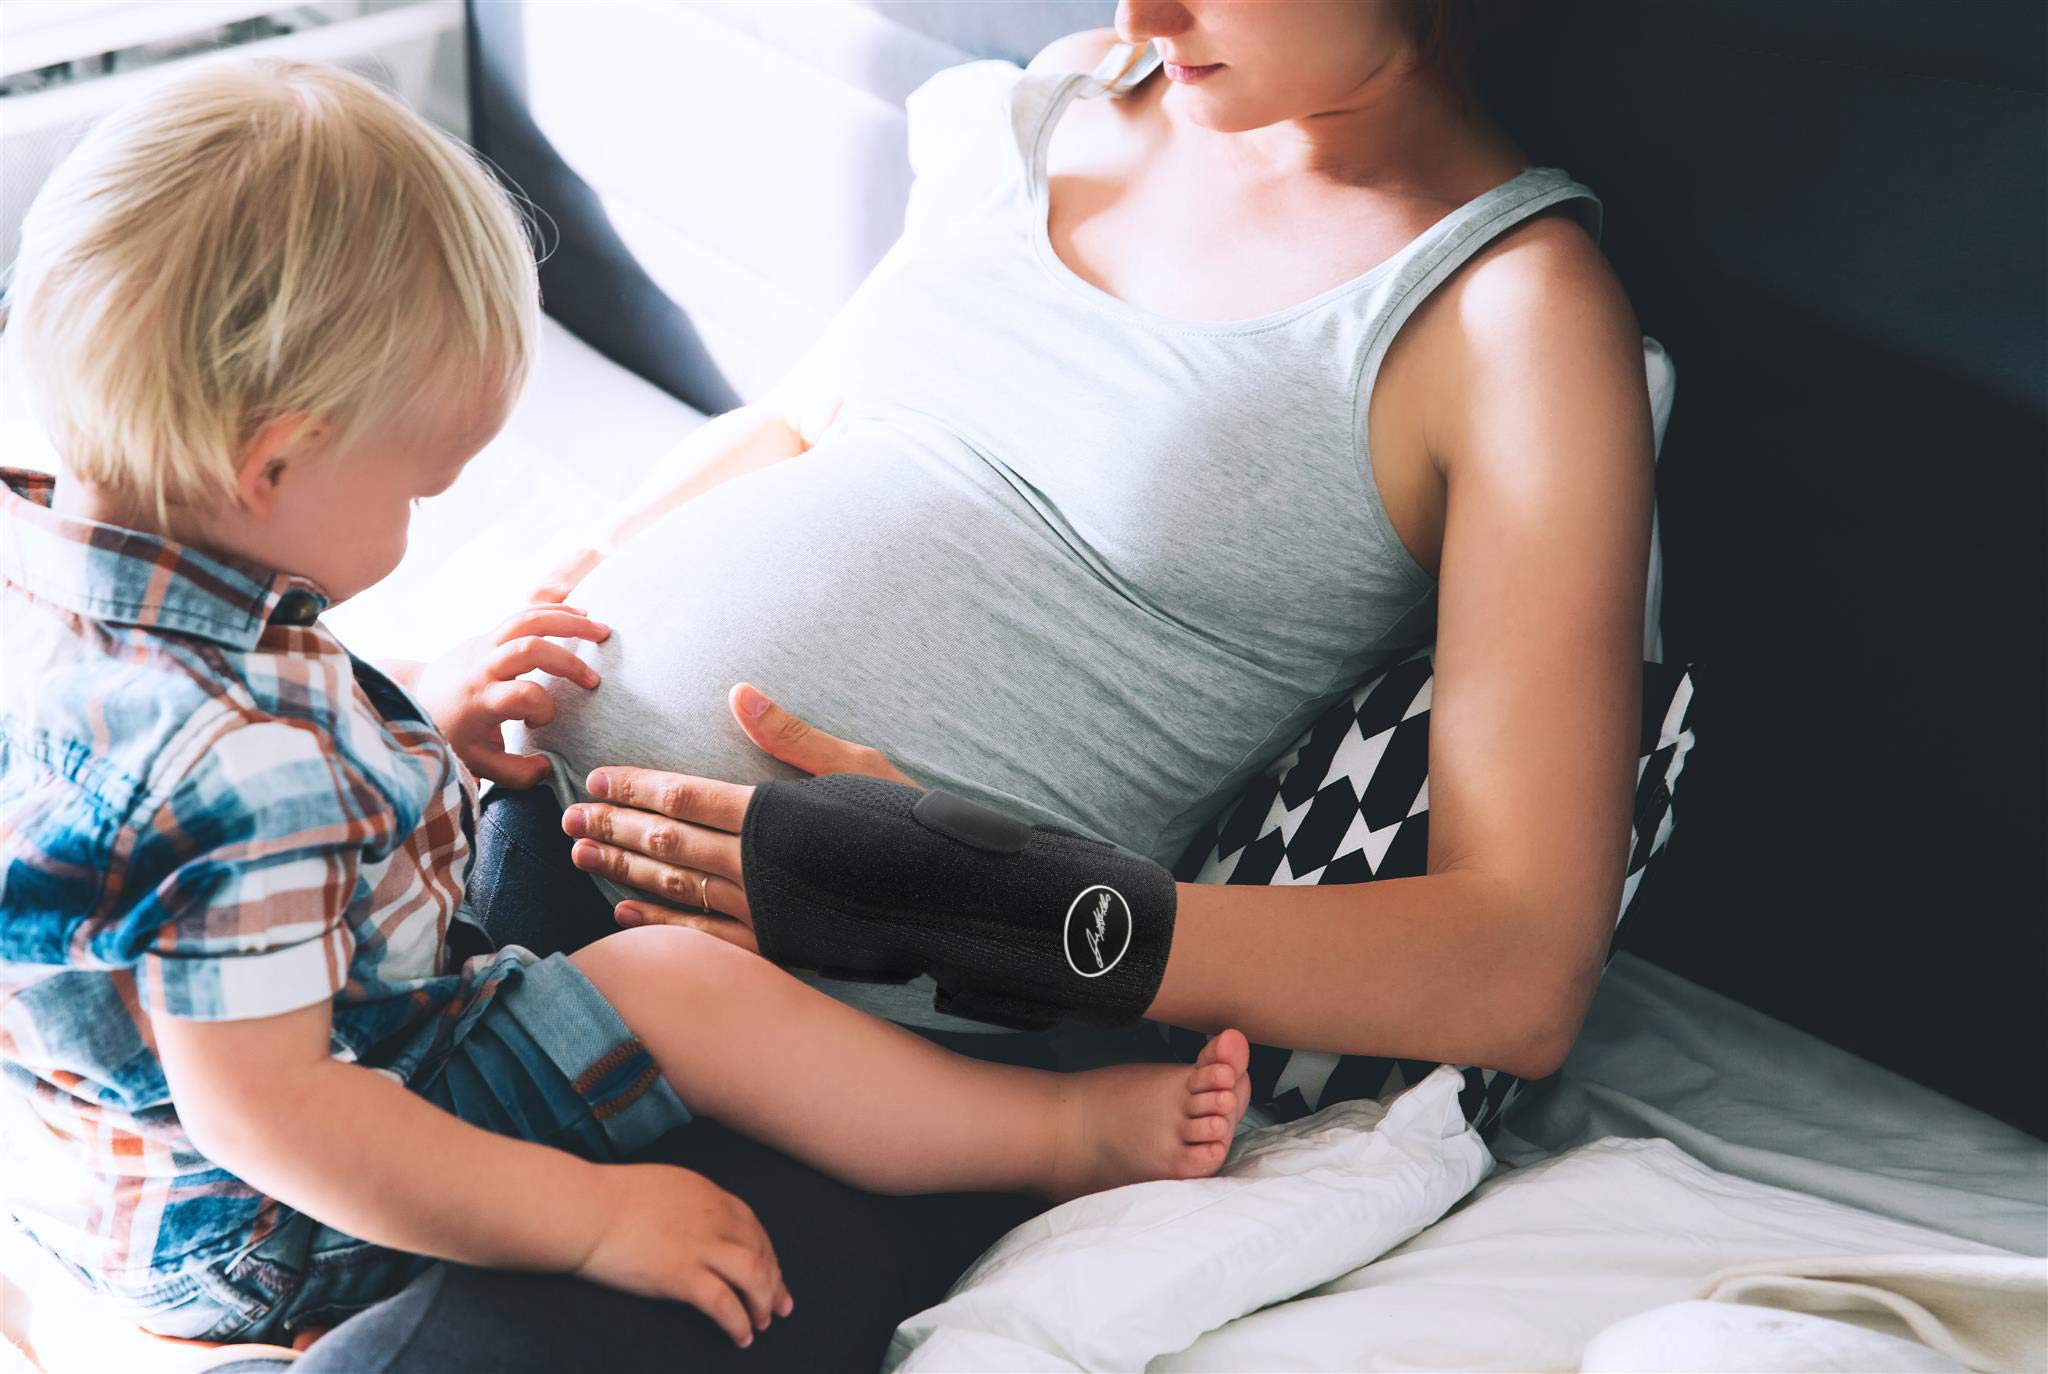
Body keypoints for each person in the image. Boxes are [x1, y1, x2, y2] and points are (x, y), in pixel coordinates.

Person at [351, 0, 1656, 1367]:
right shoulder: (1071, 97)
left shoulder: (1515, 319)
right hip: (499, 840)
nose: (1140, 13)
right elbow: (805, 424)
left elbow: (1520, 966)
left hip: (859, 1073)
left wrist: (988, 902)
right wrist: (532, 621)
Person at [0, 55, 1259, 1357]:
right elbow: (281, 1116)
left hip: (88, 1182)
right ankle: (1061, 1134)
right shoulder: (242, 765)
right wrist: (589, 1220)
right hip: (274, 1210)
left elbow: (161, 858)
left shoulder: (65, 583)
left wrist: (409, 713)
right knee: (678, 989)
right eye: (418, 489)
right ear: (273, 463)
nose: (418, 519)